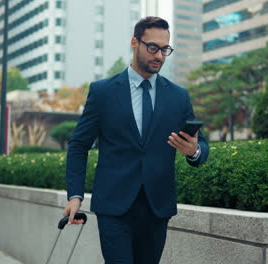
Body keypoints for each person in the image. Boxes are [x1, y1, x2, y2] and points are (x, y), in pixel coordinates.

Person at [63, 16, 209, 264]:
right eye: (153, 47)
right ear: (134, 42)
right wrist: (74, 195)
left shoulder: (178, 97)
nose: (160, 56)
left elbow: (202, 147)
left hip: (157, 208)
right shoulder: (102, 92)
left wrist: (194, 151)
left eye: (165, 49)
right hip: (113, 206)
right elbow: (79, 145)